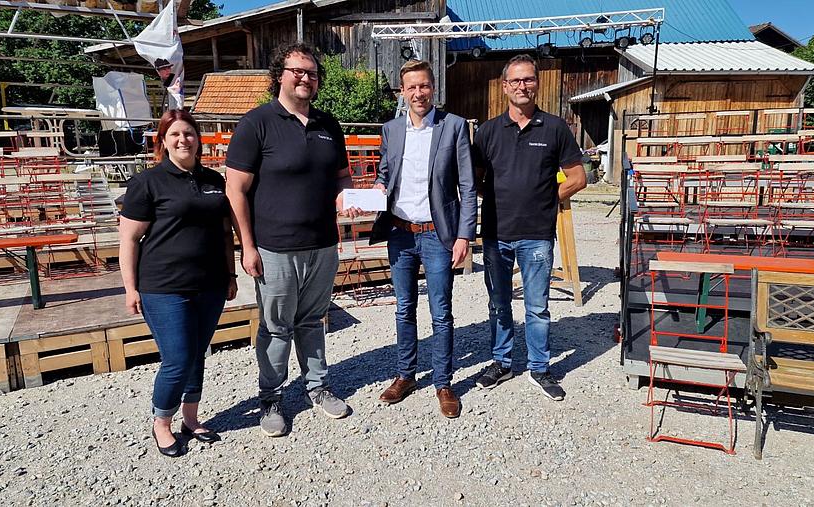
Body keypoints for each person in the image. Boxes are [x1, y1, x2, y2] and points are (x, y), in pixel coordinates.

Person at [225, 42, 357, 437]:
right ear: (279, 75)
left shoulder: (328, 125)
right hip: (274, 248)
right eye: (297, 70)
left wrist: (347, 198)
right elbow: (236, 191)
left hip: (321, 244)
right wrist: (247, 246)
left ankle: (317, 387)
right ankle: (271, 398)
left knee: (313, 321)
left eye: (312, 73)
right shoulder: (256, 123)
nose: (305, 78)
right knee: (276, 326)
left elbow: (342, 178)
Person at [119, 109, 238, 458]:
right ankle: (161, 423)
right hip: (163, 286)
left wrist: (230, 275)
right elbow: (128, 239)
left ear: (198, 139)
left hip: (211, 284)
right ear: (163, 142)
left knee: (197, 353)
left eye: (189, 133)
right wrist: (130, 287)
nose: (183, 139)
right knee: (178, 357)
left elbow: (223, 232)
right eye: (175, 134)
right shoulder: (148, 182)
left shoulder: (214, 180)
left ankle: (191, 418)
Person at [471, 54, 586, 401]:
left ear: (537, 84)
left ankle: (540, 368)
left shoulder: (554, 128)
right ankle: (502, 362)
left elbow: (578, 177)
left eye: (529, 80)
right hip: (496, 234)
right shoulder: (489, 131)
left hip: (537, 236)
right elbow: (474, 181)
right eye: (515, 81)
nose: (522, 86)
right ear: (505, 86)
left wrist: (547, 199)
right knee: (499, 304)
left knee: (537, 306)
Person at [370, 59, 476, 418]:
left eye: (424, 86)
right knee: (403, 309)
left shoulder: (454, 127)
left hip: (436, 235)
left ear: (434, 88)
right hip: (400, 234)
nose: (419, 93)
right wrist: (373, 191)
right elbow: (385, 174)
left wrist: (464, 235)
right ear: (403, 92)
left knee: (441, 312)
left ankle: (443, 382)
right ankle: (406, 374)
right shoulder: (391, 130)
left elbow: (467, 185)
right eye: (411, 87)